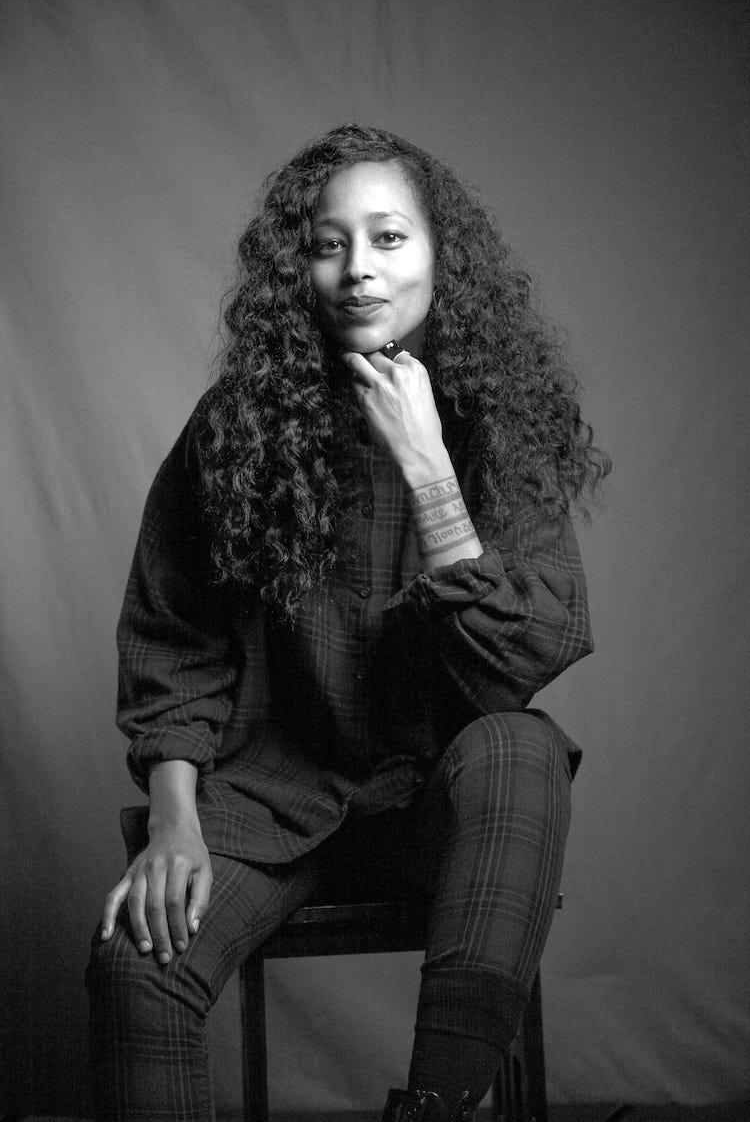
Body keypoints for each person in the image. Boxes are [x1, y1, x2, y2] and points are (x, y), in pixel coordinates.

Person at [86, 124, 609, 1121]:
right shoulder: (239, 425)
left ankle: (435, 1107)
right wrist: (171, 820)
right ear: (302, 266)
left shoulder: (499, 426)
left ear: (441, 257)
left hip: (443, 810)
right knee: (134, 958)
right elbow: (171, 636)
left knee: (519, 746)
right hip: (273, 800)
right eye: (330, 242)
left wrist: (428, 471)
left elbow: (524, 654)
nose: (358, 268)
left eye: (388, 237)